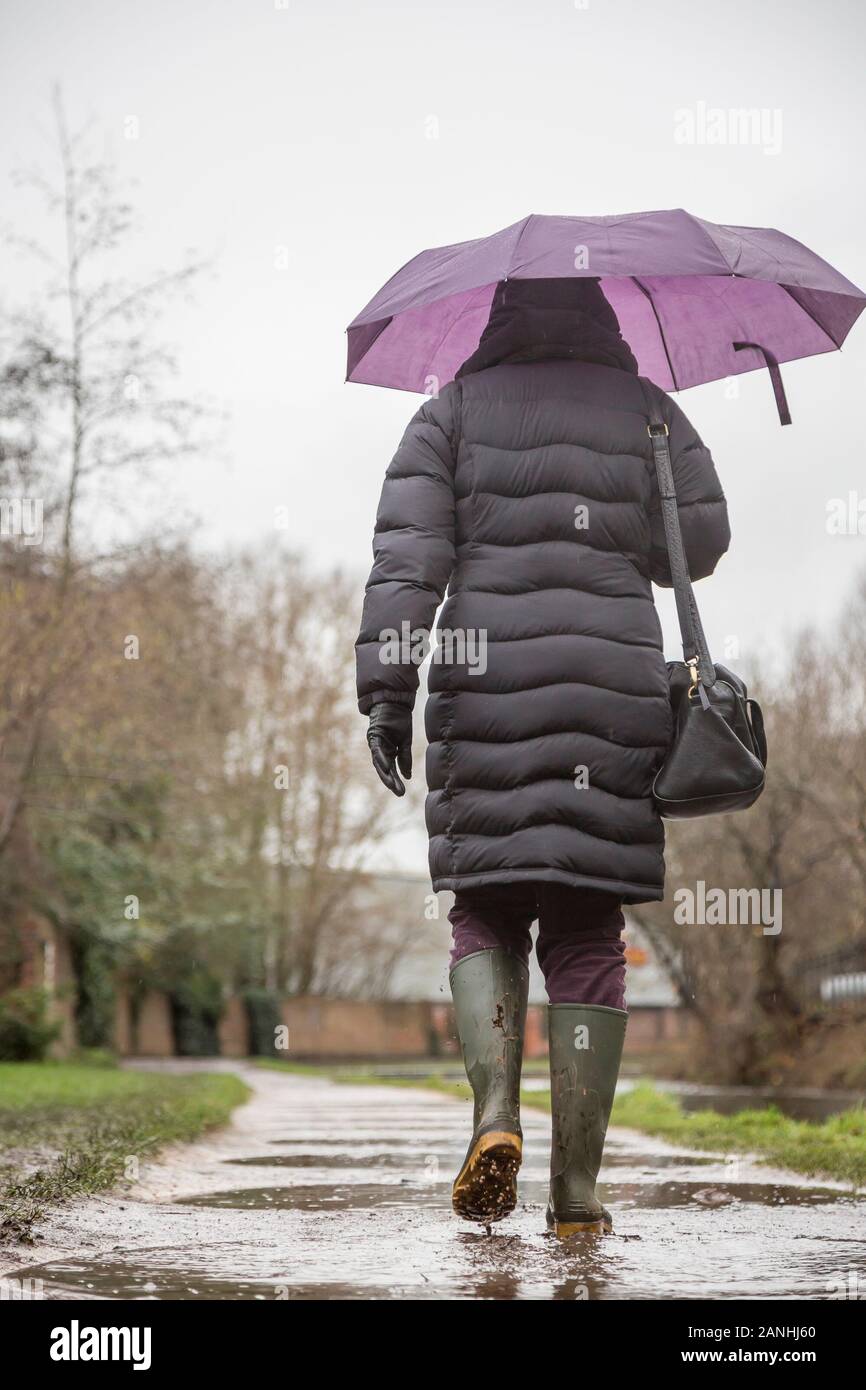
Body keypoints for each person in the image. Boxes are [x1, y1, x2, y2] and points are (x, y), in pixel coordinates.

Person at [355, 277, 729, 1235]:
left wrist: (387, 700)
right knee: (586, 928)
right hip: (613, 695)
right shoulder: (648, 411)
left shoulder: (451, 414)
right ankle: (577, 1193)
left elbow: (407, 566)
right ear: (604, 315)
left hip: (486, 690)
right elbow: (706, 538)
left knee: (484, 903)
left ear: (495, 319)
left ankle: (491, 1118)